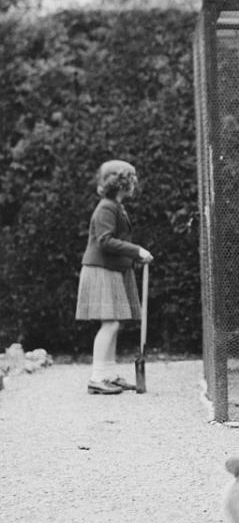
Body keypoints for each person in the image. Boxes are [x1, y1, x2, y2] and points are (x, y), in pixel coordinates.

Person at [75, 160, 154, 394]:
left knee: (114, 323)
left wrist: (134, 257)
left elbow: (114, 240)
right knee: (109, 323)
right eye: (131, 179)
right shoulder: (106, 207)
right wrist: (136, 250)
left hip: (112, 269)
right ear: (120, 183)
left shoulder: (115, 206)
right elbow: (105, 240)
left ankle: (108, 375)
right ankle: (96, 378)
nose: (134, 183)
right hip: (101, 270)